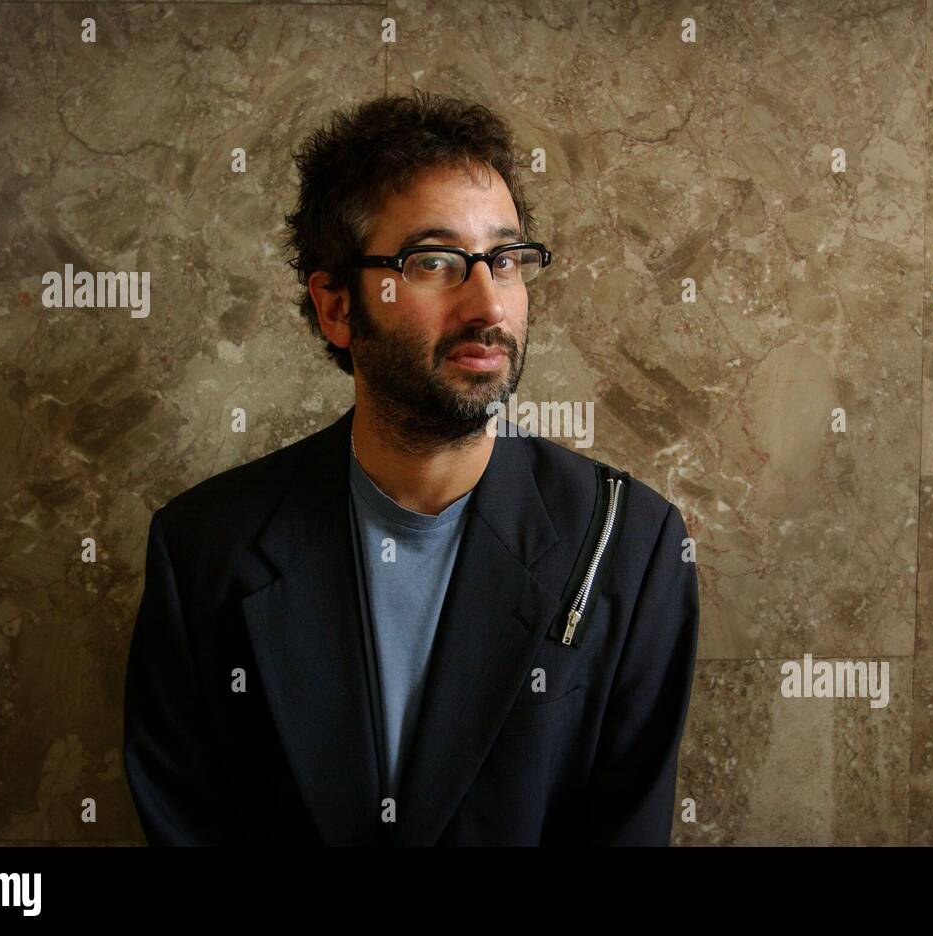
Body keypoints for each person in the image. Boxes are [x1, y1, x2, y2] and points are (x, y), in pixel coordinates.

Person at [123, 90, 699, 845]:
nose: (487, 302)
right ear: (336, 307)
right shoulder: (205, 552)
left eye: (506, 258)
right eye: (433, 262)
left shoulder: (633, 545)